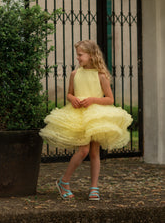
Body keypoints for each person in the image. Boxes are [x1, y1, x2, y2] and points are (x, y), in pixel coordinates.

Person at [40, 40, 133, 201]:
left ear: (91, 55)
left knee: (95, 152)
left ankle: (94, 187)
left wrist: (92, 100)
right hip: (79, 115)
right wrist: (72, 98)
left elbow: (110, 99)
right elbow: (69, 94)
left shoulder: (101, 75)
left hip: (96, 115)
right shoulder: (75, 74)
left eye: (80, 55)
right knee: (83, 150)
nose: (78, 58)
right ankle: (64, 182)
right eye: (77, 55)